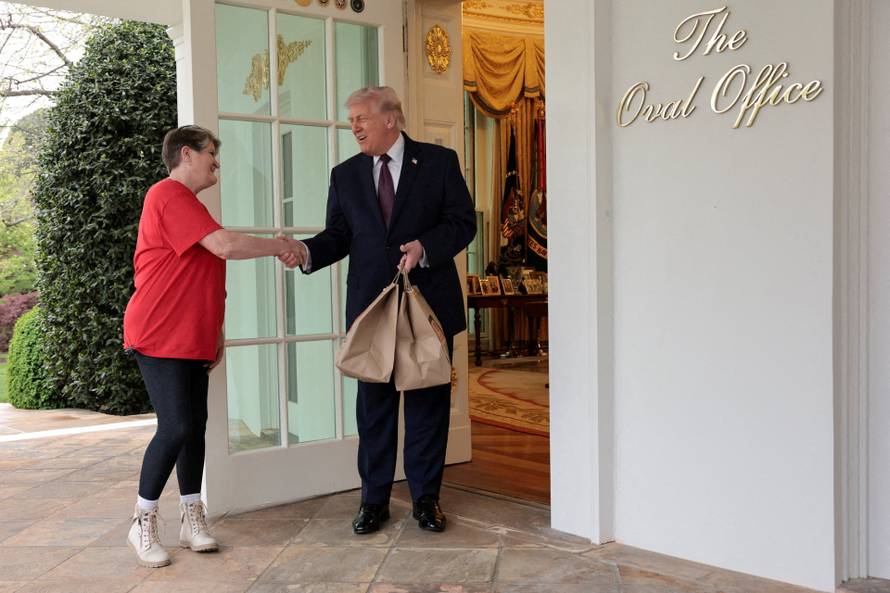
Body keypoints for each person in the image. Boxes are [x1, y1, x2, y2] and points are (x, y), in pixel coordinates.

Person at [122, 125, 305, 567]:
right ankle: (142, 520)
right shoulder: (167, 194)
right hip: (159, 332)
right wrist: (281, 245)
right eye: (210, 154)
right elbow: (223, 247)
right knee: (176, 427)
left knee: (195, 427)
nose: (216, 163)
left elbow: (201, 273)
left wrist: (216, 329)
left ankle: (191, 518)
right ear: (186, 154)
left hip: (191, 335)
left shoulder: (190, 205)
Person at [297, 86, 476, 534]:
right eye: (351, 120)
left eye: (361, 118)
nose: (354, 126)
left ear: (390, 119)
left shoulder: (439, 162)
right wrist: (306, 252)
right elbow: (339, 236)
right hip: (372, 311)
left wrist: (425, 248)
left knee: (427, 406)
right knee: (373, 409)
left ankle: (426, 501)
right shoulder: (344, 175)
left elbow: (463, 223)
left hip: (427, 307)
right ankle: (373, 501)